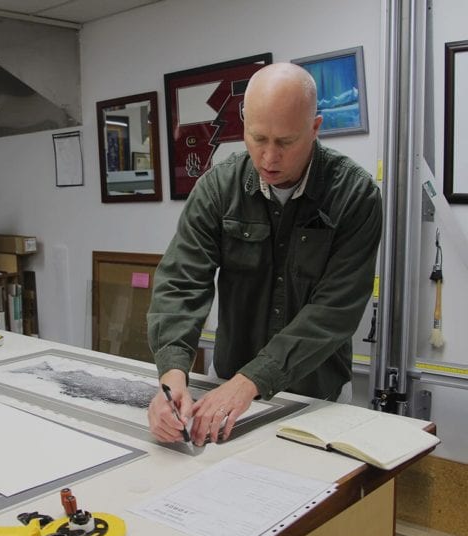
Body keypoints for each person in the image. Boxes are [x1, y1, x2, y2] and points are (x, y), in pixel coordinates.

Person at [146, 62, 382, 447]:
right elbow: (182, 282)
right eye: (258, 139)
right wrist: (171, 379)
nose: (269, 158)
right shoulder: (218, 188)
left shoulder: (355, 196)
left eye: (286, 142)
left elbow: (335, 312)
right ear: (244, 126)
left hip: (315, 396)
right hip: (228, 392)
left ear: (316, 128)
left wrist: (252, 380)